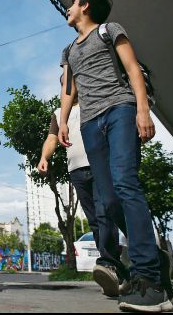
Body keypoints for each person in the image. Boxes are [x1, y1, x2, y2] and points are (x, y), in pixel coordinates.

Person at [58, 0, 173, 312]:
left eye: (72, 4)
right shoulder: (68, 51)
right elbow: (69, 90)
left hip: (120, 109)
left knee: (125, 183)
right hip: (90, 123)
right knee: (108, 200)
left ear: (85, 6)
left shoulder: (110, 30)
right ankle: (151, 254)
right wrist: (64, 121)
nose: (68, 9)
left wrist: (142, 111)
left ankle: (148, 279)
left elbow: (133, 69)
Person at [37, 77, 127, 296]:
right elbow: (51, 139)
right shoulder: (60, 114)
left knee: (105, 213)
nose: (66, 88)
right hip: (76, 171)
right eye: (63, 84)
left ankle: (109, 264)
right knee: (96, 221)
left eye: (70, 82)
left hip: (100, 166)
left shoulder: (93, 102)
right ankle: (118, 269)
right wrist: (44, 157)